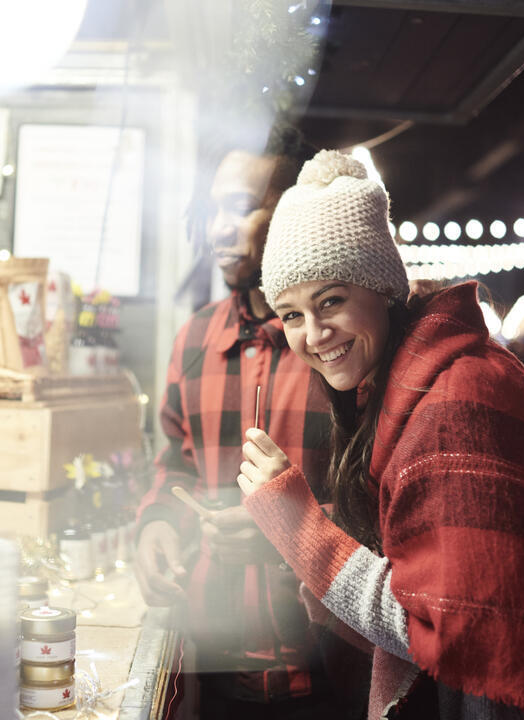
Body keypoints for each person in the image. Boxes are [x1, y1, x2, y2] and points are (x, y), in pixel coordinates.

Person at [236, 150, 524, 719]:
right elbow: (424, 542)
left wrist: (299, 526)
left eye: (330, 300)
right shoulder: (406, 386)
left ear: (380, 286)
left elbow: (451, 629)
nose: (313, 333)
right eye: (290, 314)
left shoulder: (458, 399)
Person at [133, 127, 346, 719]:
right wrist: (155, 524)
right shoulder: (195, 338)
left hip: (332, 670)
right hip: (214, 666)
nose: (220, 228)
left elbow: (386, 507)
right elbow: (174, 463)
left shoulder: (335, 345)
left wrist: (293, 535)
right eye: (213, 209)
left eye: (245, 207)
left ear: (294, 213)